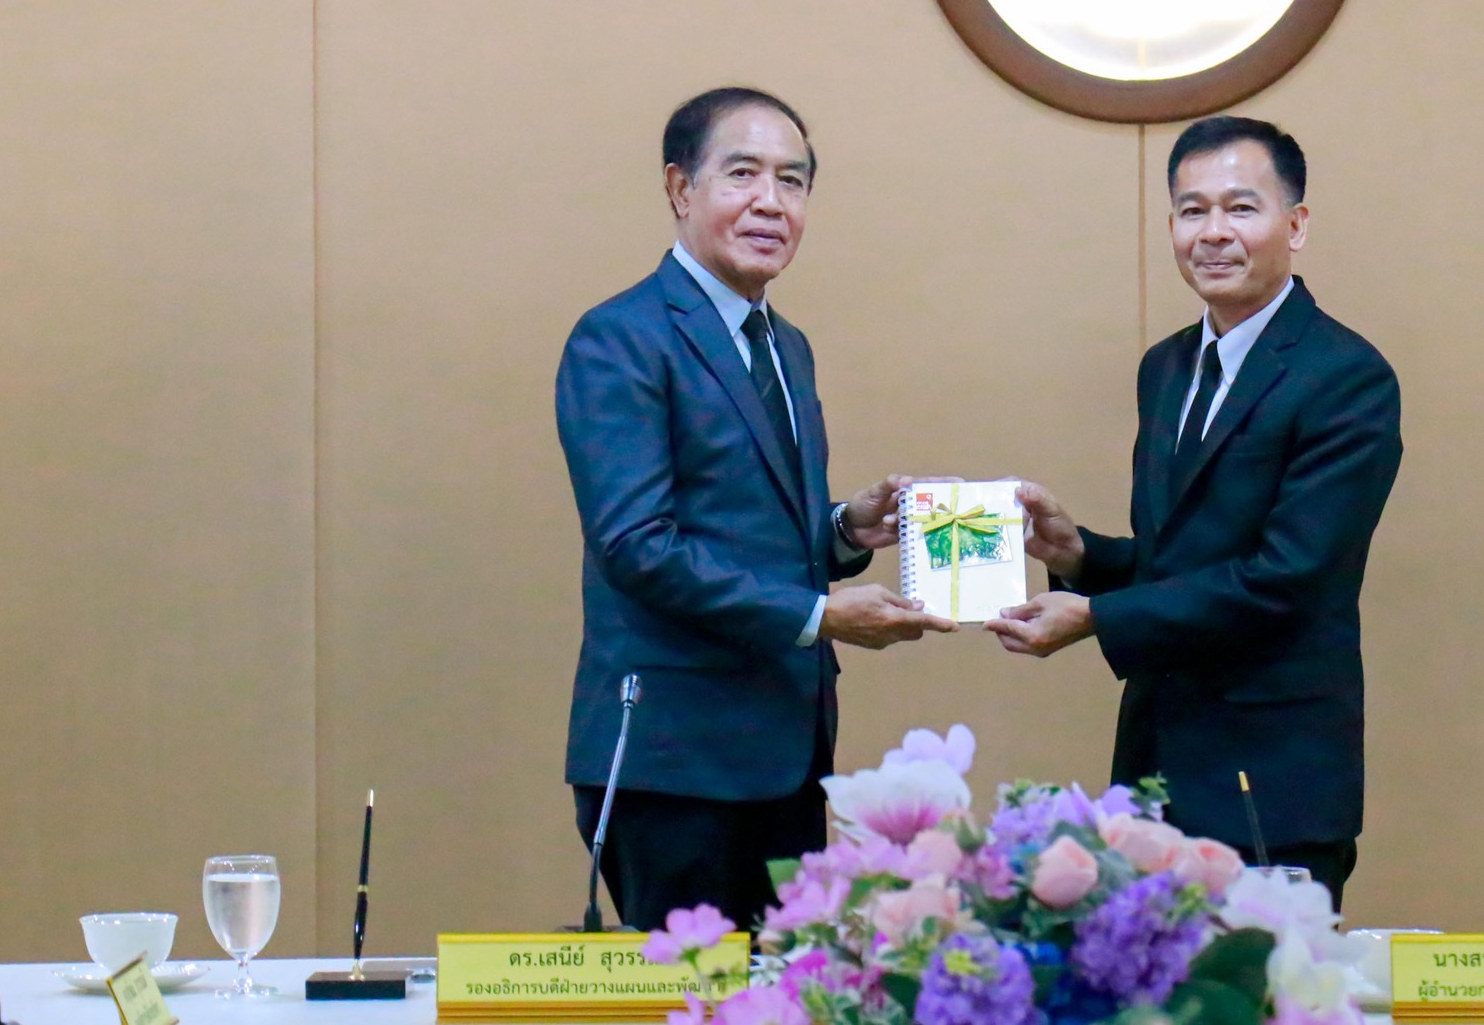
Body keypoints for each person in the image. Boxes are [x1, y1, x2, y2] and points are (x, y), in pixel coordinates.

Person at [557, 87, 957, 930]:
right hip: (675, 760)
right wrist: (819, 614)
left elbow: (745, 524)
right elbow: (638, 543)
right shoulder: (621, 337)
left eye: (793, 180)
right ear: (680, 188)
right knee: (693, 993)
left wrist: (843, 528)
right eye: (743, 174)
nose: (771, 201)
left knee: (785, 988)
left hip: (788, 750)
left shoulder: (785, 344)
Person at [988, 114, 1402, 910]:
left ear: (1295, 224)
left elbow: (1286, 578)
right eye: (1191, 210)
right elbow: (1183, 560)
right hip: (1155, 772)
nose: (1213, 232)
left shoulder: (1346, 376)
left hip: (1272, 781)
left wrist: (1096, 616)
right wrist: (1081, 556)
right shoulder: (1167, 366)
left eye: (1241, 207)